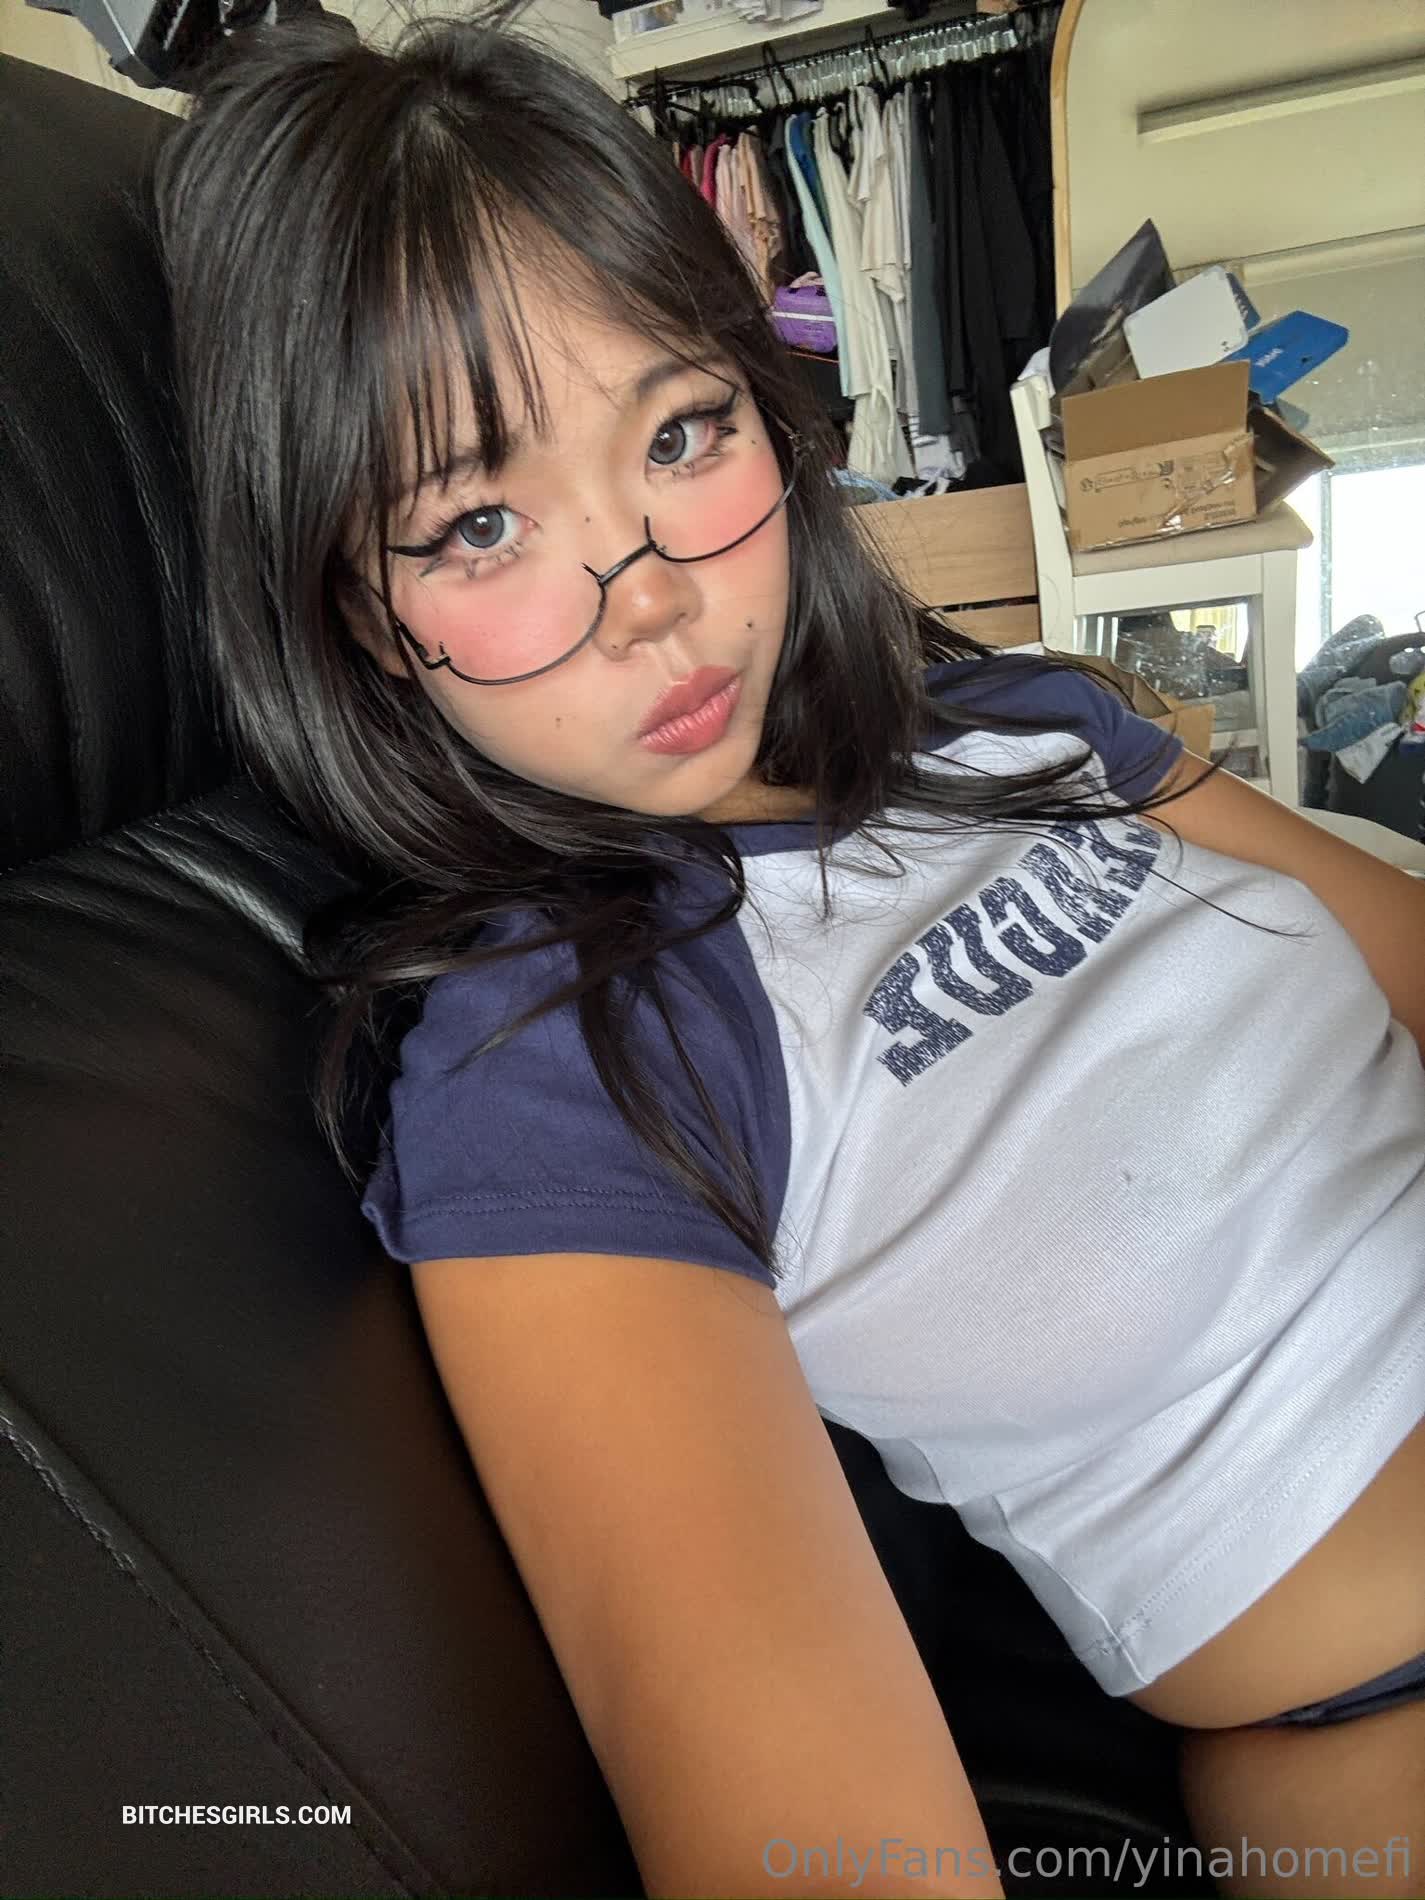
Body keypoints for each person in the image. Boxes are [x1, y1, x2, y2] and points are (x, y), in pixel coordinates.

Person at [152, 6, 1425, 1894]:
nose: (654, 603)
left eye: (680, 435)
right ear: (353, 609)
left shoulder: (1021, 720)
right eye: (481, 523)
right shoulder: (565, 1063)